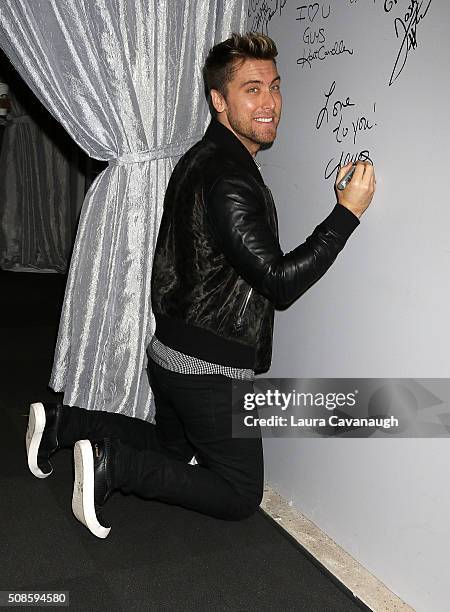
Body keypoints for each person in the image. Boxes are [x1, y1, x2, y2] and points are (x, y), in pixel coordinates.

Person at [25, 32, 375, 539]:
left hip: (170, 350)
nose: (270, 103)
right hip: (209, 368)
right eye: (251, 89)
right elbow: (279, 282)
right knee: (238, 495)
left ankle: (64, 422)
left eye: (274, 87)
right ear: (218, 100)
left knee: (171, 450)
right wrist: (346, 214)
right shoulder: (230, 177)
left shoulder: (203, 156)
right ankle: (112, 465)